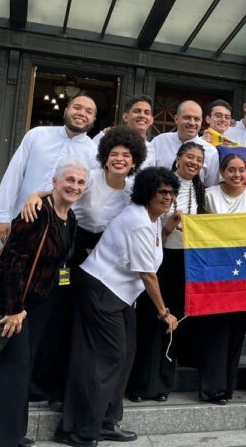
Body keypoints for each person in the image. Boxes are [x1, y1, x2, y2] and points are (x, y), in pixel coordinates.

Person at [21, 126, 147, 409]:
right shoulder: (90, 178)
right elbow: (62, 188)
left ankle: (68, 390)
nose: (119, 159)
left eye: (125, 155)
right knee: (60, 319)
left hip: (102, 258)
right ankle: (43, 384)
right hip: (71, 248)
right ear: (104, 156)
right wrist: (33, 197)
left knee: (83, 326)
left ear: (134, 161)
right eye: (113, 153)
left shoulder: (132, 190)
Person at [59, 167, 180, 447]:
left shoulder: (150, 219)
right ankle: (82, 430)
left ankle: (107, 422)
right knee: (108, 358)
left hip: (119, 295)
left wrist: (168, 227)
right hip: (101, 290)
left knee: (125, 354)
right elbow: (147, 273)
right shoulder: (136, 219)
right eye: (162, 191)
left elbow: (151, 249)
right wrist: (164, 312)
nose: (168, 197)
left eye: (172, 192)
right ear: (147, 192)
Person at [0, 157, 88, 447]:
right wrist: (14, 309)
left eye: (80, 182)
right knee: (11, 368)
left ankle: (14, 432)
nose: (74, 186)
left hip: (41, 302)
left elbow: (61, 263)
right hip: (14, 302)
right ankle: (0, 440)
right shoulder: (35, 212)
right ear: (54, 182)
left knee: (24, 368)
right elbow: (12, 261)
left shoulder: (70, 217)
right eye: (69, 180)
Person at [127, 142, 207, 403]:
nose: (193, 163)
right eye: (189, 157)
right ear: (178, 157)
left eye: (199, 159)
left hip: (187, 262)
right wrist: (170, 227)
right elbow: (151, 228)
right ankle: (140, 384)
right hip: (158, 260)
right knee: (152, 320)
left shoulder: (200, 190)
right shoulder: (162, 184)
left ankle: (162, 383)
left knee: (174, 324)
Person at [198, 154, 246, 404]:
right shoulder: (209, 195)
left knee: (237, 332)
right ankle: (211, 388)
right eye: (232, 170)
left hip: (244, 275)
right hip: (215, 273)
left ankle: (227, 388)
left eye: (241, 170)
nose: (237, 175)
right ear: (222, 172)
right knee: (216, 332)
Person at [0, 95, 98, 244]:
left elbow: (86, 193)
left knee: (56, 268)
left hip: (60, 231)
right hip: (22, 219)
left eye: (89, 111)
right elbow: (14, 174)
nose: (82, 113)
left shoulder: (94, 153)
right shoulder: (37, 135)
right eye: (77, 107)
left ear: (93, 119)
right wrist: (3, 215)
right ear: (66, 111)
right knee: (11, 264)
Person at [151, 100, 219, 185]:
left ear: (201, 122)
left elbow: (210, 187)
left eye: (197, 119)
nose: (192, 123)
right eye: (187, 117)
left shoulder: (211, 152)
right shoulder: (159, 142)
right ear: (176, 119)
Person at [93, 95, 155, 167]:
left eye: (147, 113)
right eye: (137, 111)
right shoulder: (106, 137)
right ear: (125, 117)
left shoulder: (151, 149)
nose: (142, 115)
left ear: (151, 120)